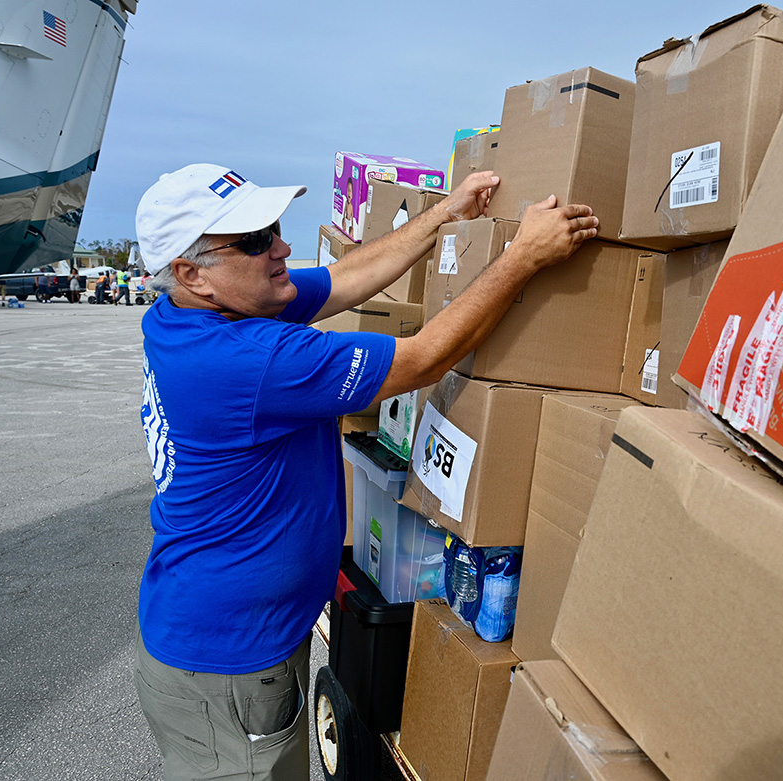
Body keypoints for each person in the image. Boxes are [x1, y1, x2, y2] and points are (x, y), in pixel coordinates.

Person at [132, 163, 596, 780]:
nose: (282, 247)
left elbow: (343, 278)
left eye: (274, 227)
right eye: (254, 241)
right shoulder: (244, 359)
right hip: (226, 659)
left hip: (231, 637)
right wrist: (523, 257)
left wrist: (441, 216)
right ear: (191, 273)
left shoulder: (195, 314)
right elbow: (425, 357)